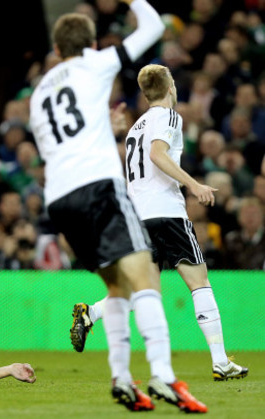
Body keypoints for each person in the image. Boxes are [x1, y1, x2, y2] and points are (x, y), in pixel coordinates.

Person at [29, 0, 207, 413]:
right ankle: (162, 374)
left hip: (59, 198)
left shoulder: (39, 93)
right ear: (91, 44)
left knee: (114, 285)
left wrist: (101, 130)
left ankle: (122, 379)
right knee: (146, 276)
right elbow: (151, 26)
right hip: (99, 189)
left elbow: (52, 146)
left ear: (56, 50)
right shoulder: (96, 64)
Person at [71, 64, 248, 383]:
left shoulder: (136, 127)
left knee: (143, 290)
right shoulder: (168, 116)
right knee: (199, 282)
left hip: (138, 217)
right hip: (166, 212)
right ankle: (220, 361)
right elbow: (157, 154)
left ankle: (91, 312)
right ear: (170, 88)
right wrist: (193, 185)